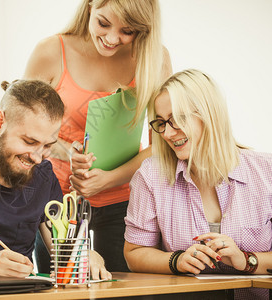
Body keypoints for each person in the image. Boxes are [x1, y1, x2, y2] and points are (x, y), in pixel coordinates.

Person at [24, 0, 172, 272]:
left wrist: (107, 180)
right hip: (58, 198)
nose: (112, 38)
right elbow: (25, 129)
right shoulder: (50, 52)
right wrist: (68, 152)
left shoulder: (154, 58)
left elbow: (163, 145)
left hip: (126, 199)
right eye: (103, 23)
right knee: (60, 286)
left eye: (128, 30)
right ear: (90, 5)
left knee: (124, 286)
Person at [124, 69, 272, 299]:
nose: (168, 133)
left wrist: (245, 259)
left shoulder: (270, 171)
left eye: (176, 119)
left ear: (209, 114)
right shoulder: (150, 176)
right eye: (161, 122)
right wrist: (176, 260)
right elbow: (134, 252)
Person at [0, 79, 111, 280]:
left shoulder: (44, 176)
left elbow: (64, 253)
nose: (37, 157)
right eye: (29, 142)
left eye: (48, 146)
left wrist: (86, 256)